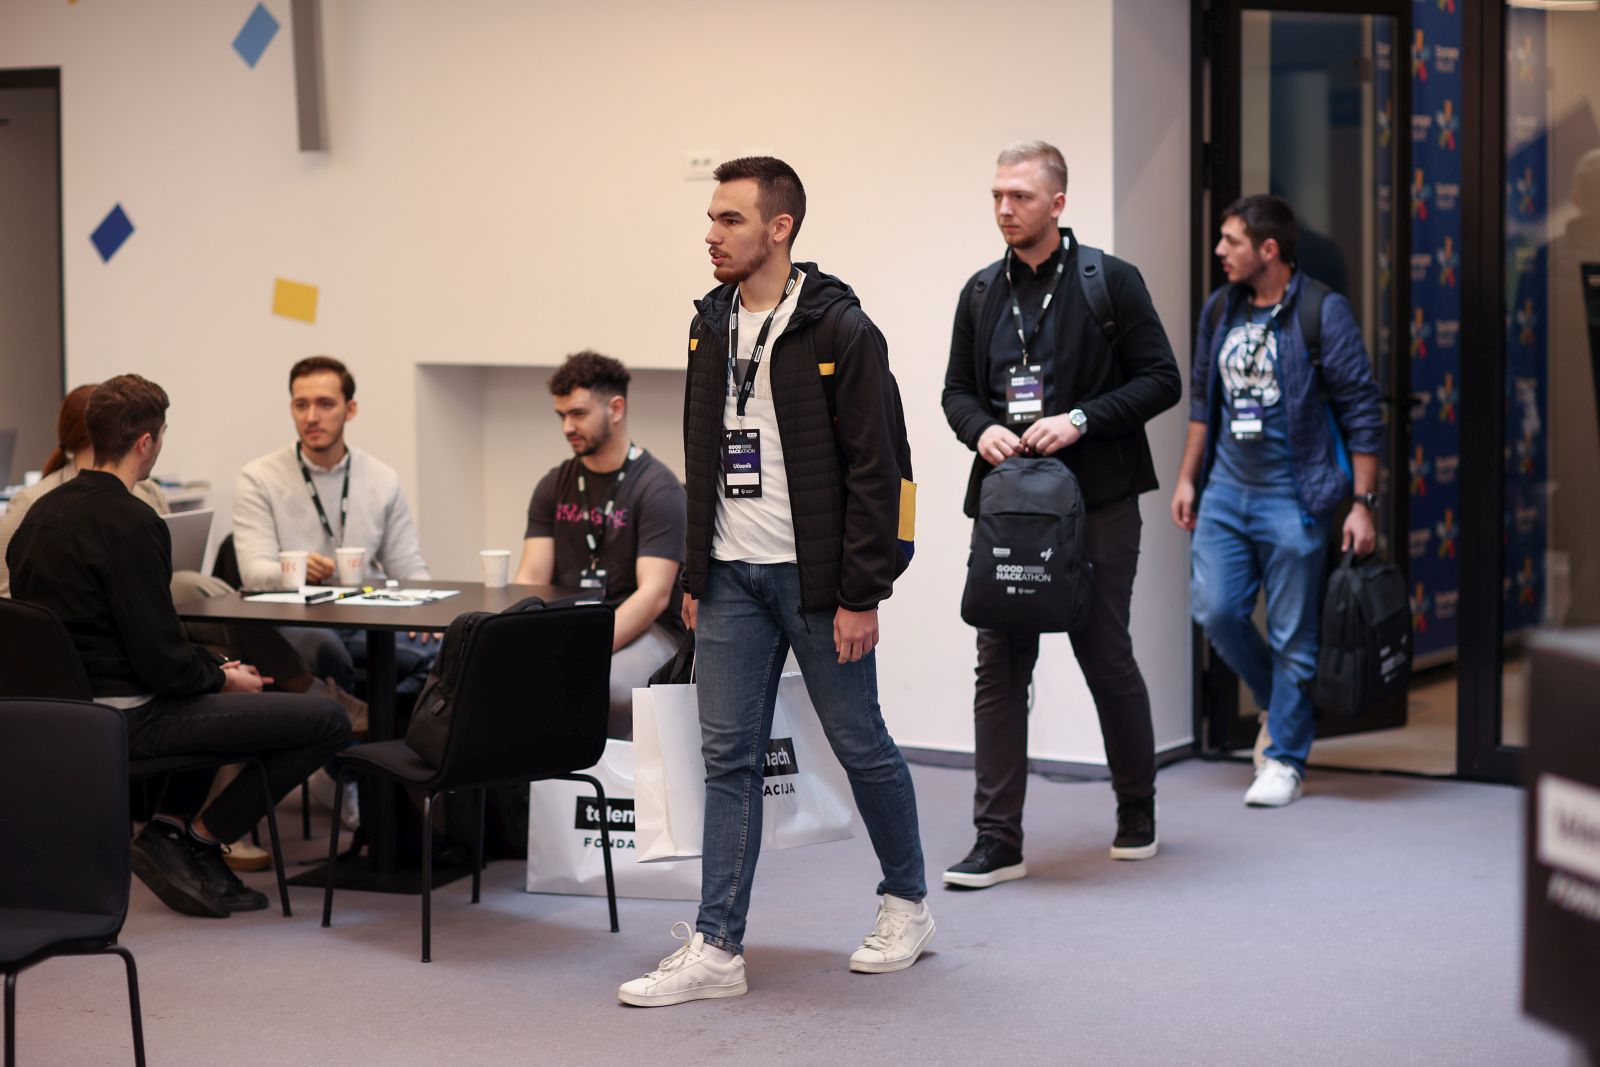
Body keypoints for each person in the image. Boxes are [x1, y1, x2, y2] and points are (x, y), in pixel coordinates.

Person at [618, 156, 931, 1007]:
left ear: (779, 227)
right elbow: (702, 453)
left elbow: (882, 472)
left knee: (859, 741)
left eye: (730, 219)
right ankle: (718, 946)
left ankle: (907, 901)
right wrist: (696, 569)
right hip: (730, 580)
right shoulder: (708, 324)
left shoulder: (842, 331)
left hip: (819, 583)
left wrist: (863, 593)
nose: (711, 234)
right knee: (727, 758)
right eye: (711, 218)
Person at [7, 374, 349, 918]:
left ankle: (168, 830)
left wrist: (213, 671)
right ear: (147, 442)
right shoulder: (134, 523)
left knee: (213, 690)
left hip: (65, 715)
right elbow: (162, 664)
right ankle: (201, 839)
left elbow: (133, 645)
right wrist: (223, 677)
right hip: (130, 718)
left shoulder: (37, 515)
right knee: (327, 720)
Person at [940, 141, 1182, 888]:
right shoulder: (982, 292)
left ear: (1058, 202)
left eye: (1019, 195)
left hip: (1099, 504)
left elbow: (1162, 379)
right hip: (1010, 511)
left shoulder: (1109, 281)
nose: (1004, 208)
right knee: (1000, 666)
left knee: (1104, 653)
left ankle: (1136, 808)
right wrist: (979, 429)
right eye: (997, 195)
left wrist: (1081, 418)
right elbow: (956, 392)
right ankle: (997, 839)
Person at [1171, 193, 1383, 807]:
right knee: (1215, 610)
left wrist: (1363, 502)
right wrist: (1188, 479)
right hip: (1225, 492)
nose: (1219, 251)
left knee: (1294, 633)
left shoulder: (1321, 310)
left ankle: (1285, 757)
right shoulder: (1221, 308)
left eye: (1231, 241)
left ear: (1269, 249)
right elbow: (1204, 402)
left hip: (1296, 496)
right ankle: (1284, 704)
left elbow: (1361, 410)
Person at [233, 356, 436, 695]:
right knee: (326, 651)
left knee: (444, 652)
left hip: (365, 614)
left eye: (325, 404)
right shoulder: (259, 477)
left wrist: (429, 616)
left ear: (350, 409)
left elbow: (408, 567)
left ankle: (374, 718)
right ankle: (362, 716)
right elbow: (253, 573)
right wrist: (297, 570)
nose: (311, 417)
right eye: (301, 405)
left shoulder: (381, 478)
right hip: (295, 615)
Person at [515, 350, 686, 739]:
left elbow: (654, 595)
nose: (567, 427)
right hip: (570, 627)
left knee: (600, 686)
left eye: (578, 413)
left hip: (649, 630)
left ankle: (602, 781)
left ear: (616, 408)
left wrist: (584, 648)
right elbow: (531, 578)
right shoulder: (553, 485)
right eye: (561, 415)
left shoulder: (658, 488)